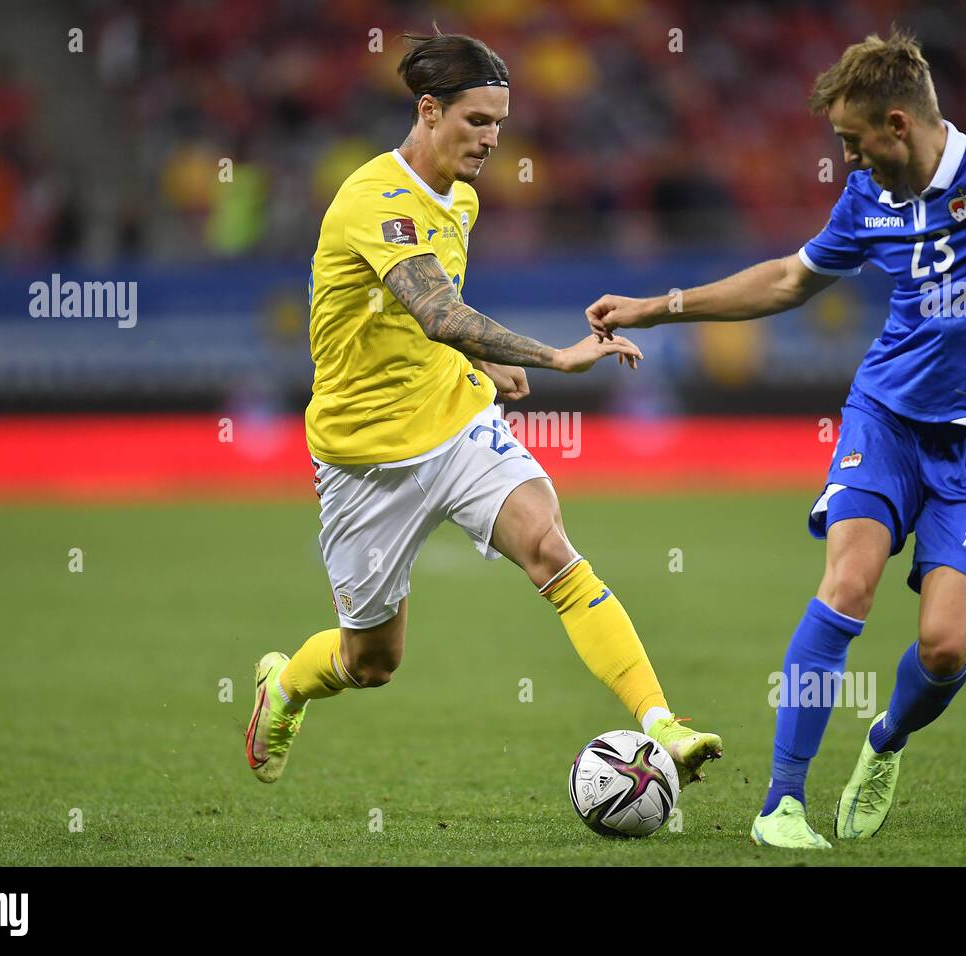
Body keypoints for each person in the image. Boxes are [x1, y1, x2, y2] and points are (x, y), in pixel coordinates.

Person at [586, 29, 966, 848]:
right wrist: (659, 306)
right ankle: (780, 806)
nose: (849, 161)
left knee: (943, 645)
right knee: (849, 584)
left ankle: (886, 739)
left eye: (853, 143)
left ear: (898, 125)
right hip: (886, 421)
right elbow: (792, 278)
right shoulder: (869, 199)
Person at [246, 31, 722, 790]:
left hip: (458, 422)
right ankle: (287, 687)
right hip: (364, 455)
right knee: (371, 662)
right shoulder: (374, 198)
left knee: (551, 550)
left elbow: (437, 315)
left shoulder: (461, 199)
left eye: (499, 123)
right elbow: (436, 312)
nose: (492, 139)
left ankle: (662, 723)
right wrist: (555, 356)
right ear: (428, 112)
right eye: (477, 121)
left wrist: (483, 359)